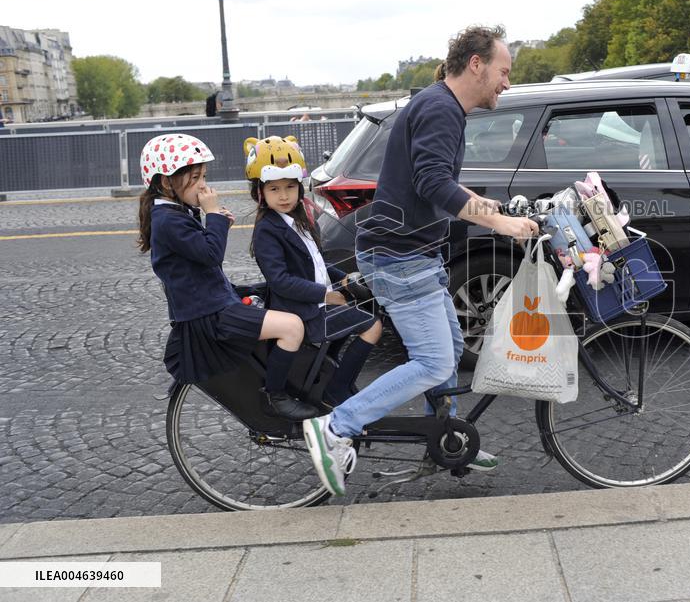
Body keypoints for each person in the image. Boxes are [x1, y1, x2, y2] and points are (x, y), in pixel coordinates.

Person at [303, 25, 538, 497]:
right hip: (399, 258)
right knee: (434, 361)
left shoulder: (440, 105)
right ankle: (335, 428)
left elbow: (436, 186)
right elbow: (434, 184)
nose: (507, 83)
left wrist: (496, 211)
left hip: (410, 254)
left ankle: (446, 440)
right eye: (503, 71)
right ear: (477, 64)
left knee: (447, 352)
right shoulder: (439, 109)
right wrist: (502, 225)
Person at [137, 133, 317, 420]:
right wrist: (214, 217)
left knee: (274, 295)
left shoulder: (175, 213)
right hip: (210, 316)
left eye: (203, 176)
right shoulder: (168, 220)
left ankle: (291, 378)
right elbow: (211, 255)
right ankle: (275, 396)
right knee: (292, 326)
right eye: (194, 178)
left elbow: (201, 256)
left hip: (216, 302)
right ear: (166, 182)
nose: (203, 185)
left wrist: (215, 221)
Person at [246, 135, 383, 409]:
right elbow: (281, 282)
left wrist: (340, 277)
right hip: (303, 313)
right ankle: (337, 387)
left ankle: (328, 377)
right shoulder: (267, 230)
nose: (283, 196)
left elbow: (316, 262)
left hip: (317, 304)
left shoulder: (299, 220)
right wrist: (327, 295)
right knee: (373, 327)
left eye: (289, 187)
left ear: (299, 187)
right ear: (261, 193)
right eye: (274, 189)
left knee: (358, 322)